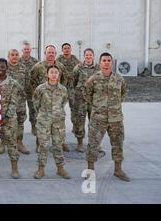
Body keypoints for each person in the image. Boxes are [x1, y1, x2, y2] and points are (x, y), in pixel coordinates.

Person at [85, 52, 130, 182]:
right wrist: (98, 106)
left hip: (116, 118)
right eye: (104, 60)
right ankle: (90, 171)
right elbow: (87, 94)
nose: (106, 62)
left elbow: (124, 93)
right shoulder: (93, 79)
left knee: (118, 144)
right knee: (93, 144)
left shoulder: (119, 79)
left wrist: (113, 107)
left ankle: (118, 170)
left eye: (108, 60)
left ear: (112, 62)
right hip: (98, 119)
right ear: (100, 63)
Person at [33, 65, 70, 179]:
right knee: (43, 145)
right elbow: (36, 103)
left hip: (58, 121)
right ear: (47, 74)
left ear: (59, 75)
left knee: (58, 145)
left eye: (56, 72)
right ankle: (41, 169)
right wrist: (44, 114)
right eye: (51, 72)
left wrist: (56, 113)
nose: (54, 74)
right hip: (44, 120)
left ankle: (60, 169)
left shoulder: (63, 89)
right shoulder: (40, 88)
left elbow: (64, 102)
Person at [30, 45, 70, 152]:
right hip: (43, 100)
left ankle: (61, 143)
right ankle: (39, 144)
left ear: (55, 54)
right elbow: (32, 80)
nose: (51, 54)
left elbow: (66, 80)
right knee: (41, 123)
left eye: (53, 53)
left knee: (59, 123)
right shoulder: (38, 66)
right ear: (45, 53)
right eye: (49, 52)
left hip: (57, 98)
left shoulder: (60, 67)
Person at [72, 48, 100, 152]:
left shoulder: (98, 68)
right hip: (81, 100)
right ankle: (80, 143)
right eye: (86, 55)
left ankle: (94, 143)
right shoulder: (78, 68)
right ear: (84, 56)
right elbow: (74, 82)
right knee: (80, 121)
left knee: (94, 122)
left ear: (93, 56)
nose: (88, 57)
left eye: (90, 55)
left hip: (94, 100)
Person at [6, 49, 30, 154]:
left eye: (16, 55)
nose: (14, 57)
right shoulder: (3, 67)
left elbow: (28, 83)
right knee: (5, 122)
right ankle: (3, 143)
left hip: (20, 100)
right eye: (12, 55)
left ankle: (19, 142)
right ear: (8, 56)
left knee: (20, 121)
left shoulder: (23, 68)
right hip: (6, 100)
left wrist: (26, 96)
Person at [56, 43, 80, 129]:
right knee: (59, 107)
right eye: (65, 48)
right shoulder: (58, 60)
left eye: (68, 48)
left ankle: (75, 127)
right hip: (61, 87)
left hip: (72, 87)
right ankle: (58, 126)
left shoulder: (75, 59)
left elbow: (79, 70)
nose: (66, 50)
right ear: (62, 50)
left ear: (71, 49)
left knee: (74, 108)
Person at [20, 42, 39, 135]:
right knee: (20, 109)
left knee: (33, 109)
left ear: (30, 50)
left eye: (28, 49)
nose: (26, 51)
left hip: (32, 90)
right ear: (22, 50)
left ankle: (33, 126)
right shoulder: (18, 61)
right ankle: (20, 127)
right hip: (21, 90)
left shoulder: (35, 62)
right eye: (25, 49)